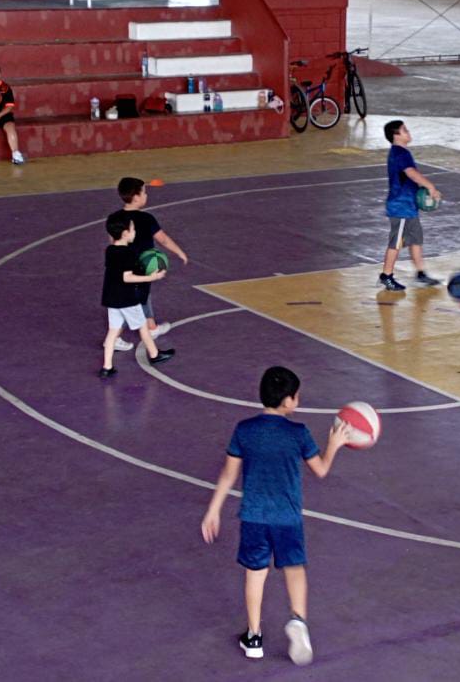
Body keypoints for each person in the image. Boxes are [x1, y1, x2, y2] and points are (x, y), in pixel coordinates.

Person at [200, 366, 351, 666]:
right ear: (289, 401)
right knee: (294, 568)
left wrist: (213, 509)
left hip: (254, 516)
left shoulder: (244, 430)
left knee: (256, 574)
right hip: (287, 518)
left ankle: (254, 637)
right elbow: (320, 469)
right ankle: (298, 620)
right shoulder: (298, 433)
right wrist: (333, 445)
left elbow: (229, 474)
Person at [114, 177, 188, 353]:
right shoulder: (146, 218)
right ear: (137, 197)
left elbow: (113, 242)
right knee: (132, 302)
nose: (146, 195)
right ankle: (115, 337)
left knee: (141, 297)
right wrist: (179, 252)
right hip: (143, 268)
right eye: (144, 192)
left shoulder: (115, 218)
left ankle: (152, 327)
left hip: (123, 266)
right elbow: (162, 239)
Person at [100, 210, 174, 378]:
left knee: (113, 332)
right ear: (125, 233)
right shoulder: (128, 253)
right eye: (133, 230)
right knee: (143, 327)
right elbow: (127, 277)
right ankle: (155, 355)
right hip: (127, 299)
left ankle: (107, 366)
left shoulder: (110, 251)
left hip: (111, 299)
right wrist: (151, 276)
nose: (135, 233)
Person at [378, 119, 443, 292]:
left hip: (409, 207)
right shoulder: (401, 153)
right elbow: (412, 173)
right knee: (396, 243)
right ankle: (387, 276)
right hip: (400, 208)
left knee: (415, 240)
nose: (408, 132)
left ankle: (421, 273)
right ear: (396, 135)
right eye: (404, 130)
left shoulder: (400, 152)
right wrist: (430, 186)